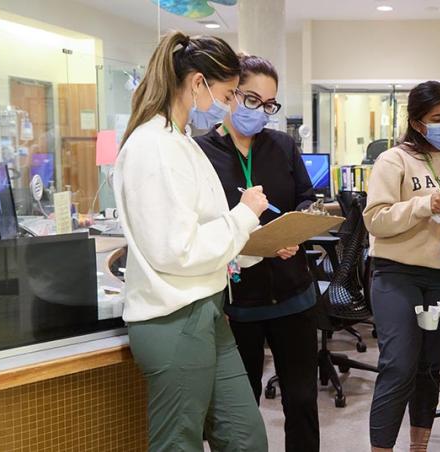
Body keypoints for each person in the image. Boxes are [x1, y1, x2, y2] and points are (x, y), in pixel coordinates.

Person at [113, 32, 269, 452]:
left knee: (246, 439)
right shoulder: (154, 148)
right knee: (177, 443)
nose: (232, 103)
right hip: (175, 320)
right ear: (199, 83)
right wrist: (244, 214)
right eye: (229, 92)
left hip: (207, 311)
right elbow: (177, 250)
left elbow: (207, 231)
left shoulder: (179, 142)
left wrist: (257, 242)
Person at [194, 54, 320, 452]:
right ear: (231, 95)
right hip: (239, 303)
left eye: (269, 105)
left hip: (293, 294)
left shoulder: (282, 145)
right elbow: (201, 225)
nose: (260, 112)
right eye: (251, 99)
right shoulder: (200, 153)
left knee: (301, 401)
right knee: (240, 410)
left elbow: (305, 199)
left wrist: (296, 232)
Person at [363, 81, 440, 452]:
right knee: (399, 365)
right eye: (437, 118)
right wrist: (424, 205)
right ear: (418, 122)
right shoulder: (394, 160)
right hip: (398, 273)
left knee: (429, 367)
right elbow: (375, 219)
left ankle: (418, 446)